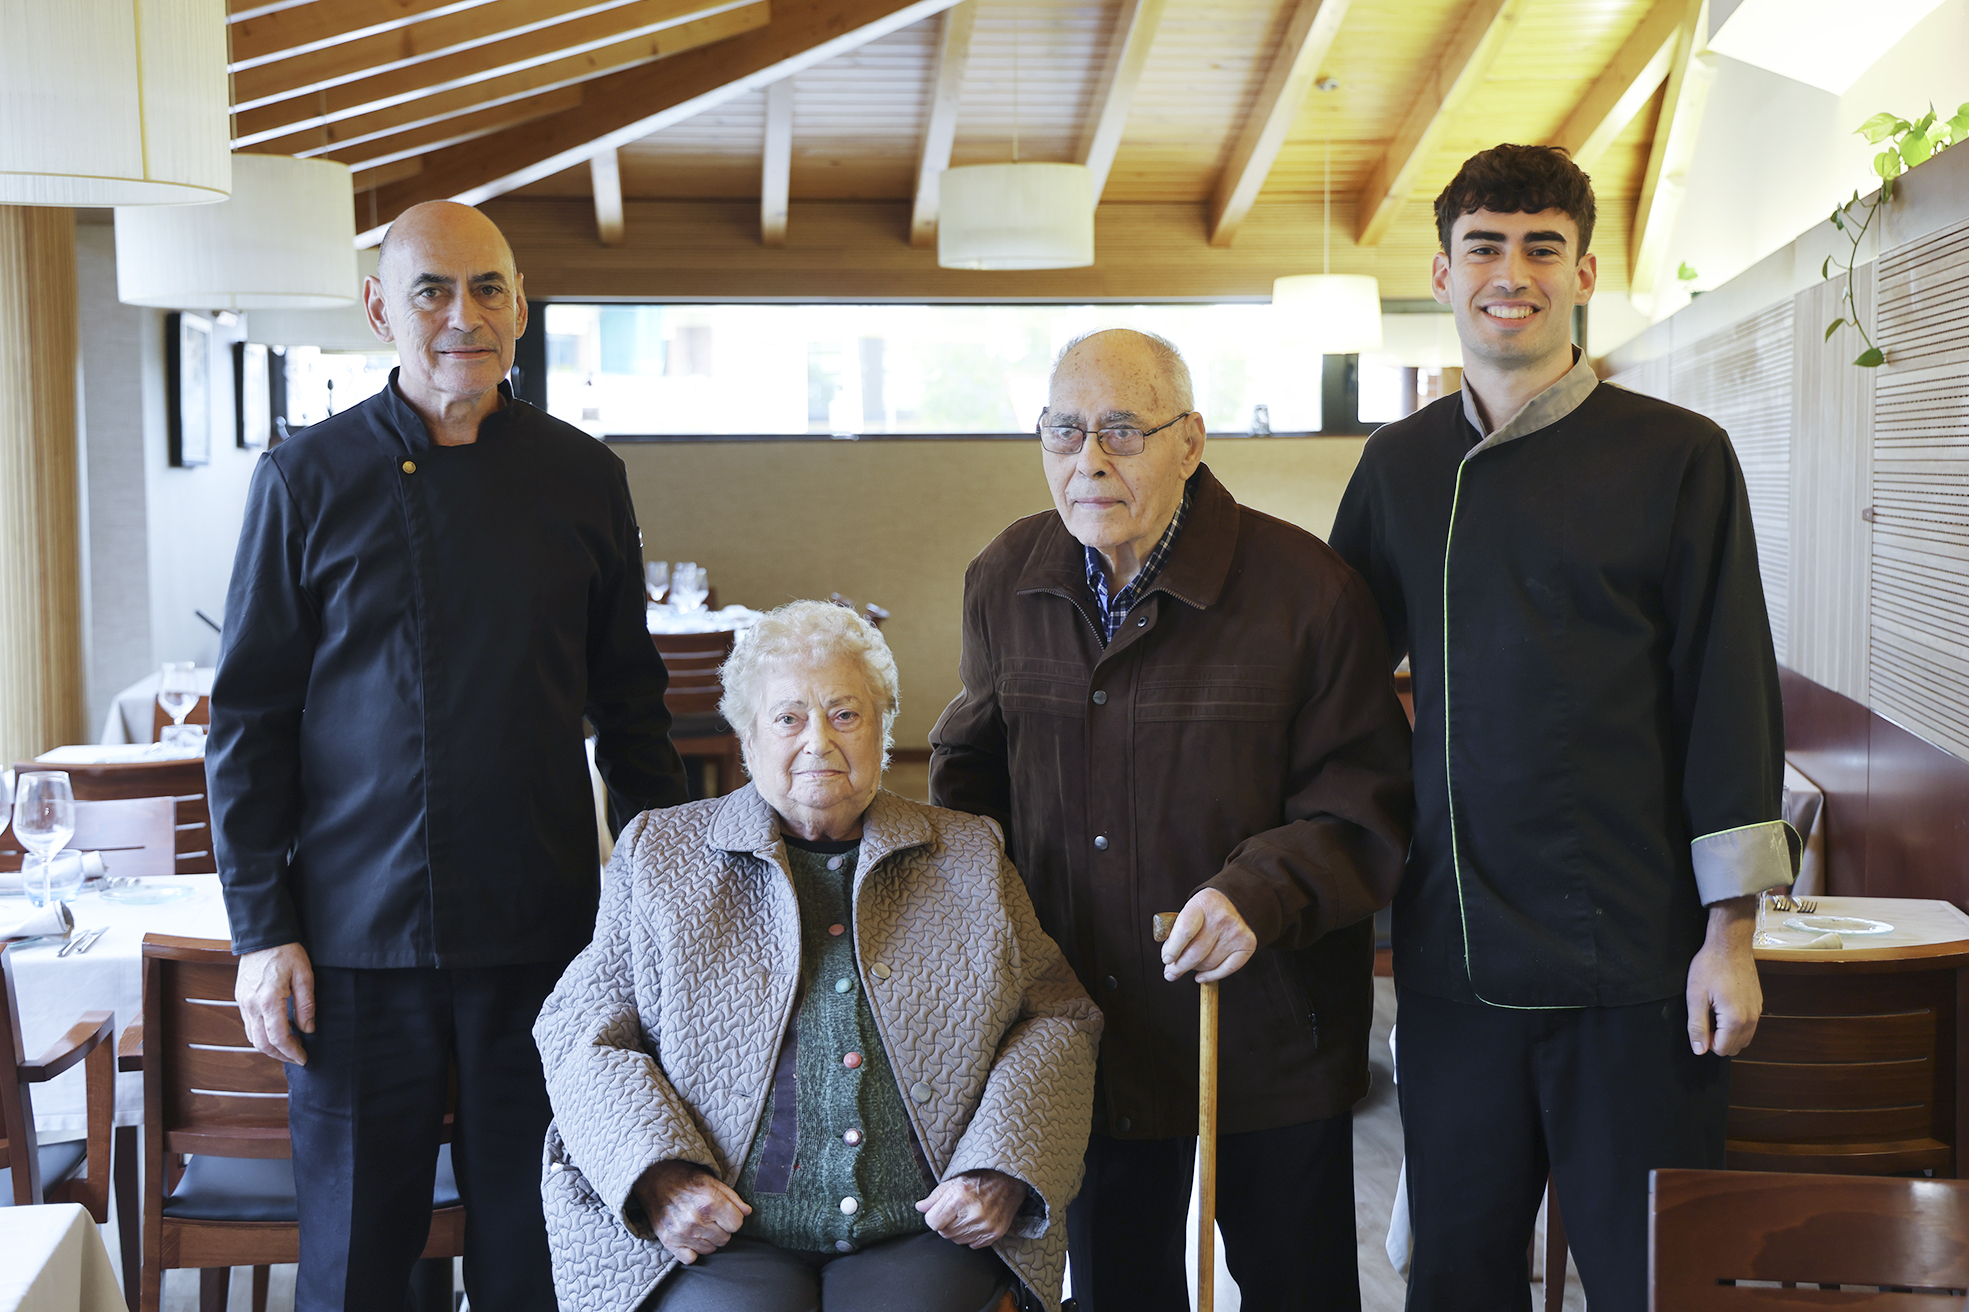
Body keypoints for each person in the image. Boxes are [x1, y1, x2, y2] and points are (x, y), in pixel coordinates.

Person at [1328, 143, 1797, 1312]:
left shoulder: (1678, 455)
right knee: (1457, 1275)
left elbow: (1728, 693)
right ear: (1442, 274)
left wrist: (1730, 934)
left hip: (1639, 958)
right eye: (1483, 247)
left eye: (1542, 247)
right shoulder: (1397, 467)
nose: (1511, 273)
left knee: (1654, 1280)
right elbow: (1331, 681)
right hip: (1455, 955)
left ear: (1583, 274)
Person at [207, 200, 688, 1312]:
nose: (461, 316)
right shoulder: (305, 478)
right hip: (355, 942)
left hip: (544, 938)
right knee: (353, 1268)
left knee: (540, 1257)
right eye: (431, 290)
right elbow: (249, 722)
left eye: (486, 289)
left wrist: (666, 908)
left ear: (518, 308)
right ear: (381, 310)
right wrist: (262, 929)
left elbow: (632, 709)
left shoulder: (583, 476)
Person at [930, 329, 1414, 1311]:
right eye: (1063, 432)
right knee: (1116, 1291)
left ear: (1189, 440)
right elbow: (972, 776)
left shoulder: (1306, 590)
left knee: (1298, 1289)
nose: (1088, 461)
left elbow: (1365, 806)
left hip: (1268, 1028)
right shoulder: (1004, 577)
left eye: (1121, 431)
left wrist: (1256, 894)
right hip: (1087, 1026)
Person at [535, 600, 1101, 1312]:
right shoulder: (660, 854)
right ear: (746, 737)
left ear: (882, 729)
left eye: (844, 714)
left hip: (921, 1225)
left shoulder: (967, 853)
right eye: (788, 718)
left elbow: (1058, 1019)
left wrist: (1002, 1166)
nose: (818, 742)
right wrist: (658, 1177)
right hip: (722, 1235)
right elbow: (579, 1030)